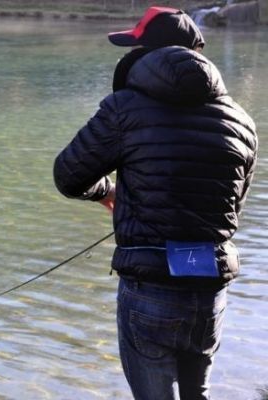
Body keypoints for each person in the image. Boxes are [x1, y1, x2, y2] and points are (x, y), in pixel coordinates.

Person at [53, 6, 257, 400]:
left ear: (148, 54)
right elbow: (234, 207)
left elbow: (68, 175)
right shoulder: (241, 120)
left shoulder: (124, 109)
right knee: (198, 394)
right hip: (211, 285)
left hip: (151, 287)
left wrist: (106, 192)